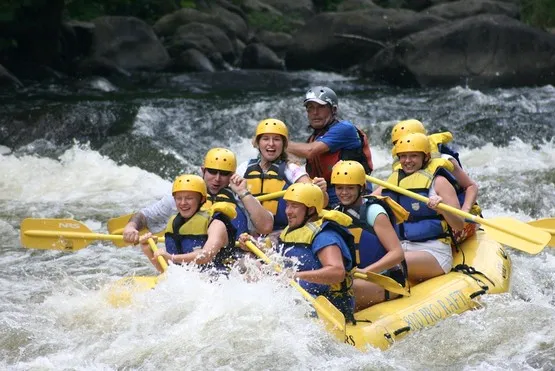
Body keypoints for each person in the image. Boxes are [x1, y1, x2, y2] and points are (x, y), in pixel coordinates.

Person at [241, 182, 357, 322]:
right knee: (252, 269)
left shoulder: (325, 236)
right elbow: (279, 257)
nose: (288, 211)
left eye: (294, 206)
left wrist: (295, 276)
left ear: (311, 209)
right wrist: (254, 247)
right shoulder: (292, 230)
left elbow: (337, 272)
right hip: (299, 296)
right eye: (288, 205)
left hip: (328, 304)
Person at [122, 148, 274, 244]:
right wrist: (131, 226)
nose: (217, 178)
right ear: (203, 171)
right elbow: (145, 215)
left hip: (232, 263)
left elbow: (266, 227)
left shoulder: (240, 197)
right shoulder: (184, 197)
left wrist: (243, 193)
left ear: (233, 175)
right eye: (212, 172)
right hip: (191, 263)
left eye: (224, 174)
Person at [373, 133, 464, 283]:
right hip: (400, 248)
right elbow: (366, 202)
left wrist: (443, 209)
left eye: (413, 156)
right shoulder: (392, 182)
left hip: (434, 251)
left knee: (391, 263)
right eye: (403, 156)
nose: (407, 161)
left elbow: (459, 225)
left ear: (426, 157)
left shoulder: (440, 183)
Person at [331, 160, 407, 311]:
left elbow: (397, 253)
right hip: (356, 278)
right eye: (340, 188)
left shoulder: (374, 212)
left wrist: (367, 271)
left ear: (361, 187)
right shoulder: (337, 213)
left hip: (386, 280)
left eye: (350, 188)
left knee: (340, 293)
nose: (344, 193)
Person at [390, 119, 480, 244]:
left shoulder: (444, 160)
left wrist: (464, 212)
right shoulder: (403, 164)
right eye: (397, 144)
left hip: (456, 216)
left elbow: (471, 186)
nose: (402, 145)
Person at [286, 86, 374, 206]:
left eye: (321, 107)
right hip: (326, 194)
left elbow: (310, 151)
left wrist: (279, 141)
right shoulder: (313, 138)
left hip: (351, 194)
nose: (315, 113)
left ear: (333, 109)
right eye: (310, 108)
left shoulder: (345, 129)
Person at [237, 118, 327, 231]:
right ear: (257, 143)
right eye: (265, 139)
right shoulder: (243, 168)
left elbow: (319, 200)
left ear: (284, 144)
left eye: (276, 139)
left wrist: (321, 191)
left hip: (281, 232)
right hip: (247, 235)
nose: (271, 144)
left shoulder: (291, 169)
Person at [139, 174, 238, 273]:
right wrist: (148, 250)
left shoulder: (216, 225)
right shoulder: (174, 224)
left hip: (219, 281)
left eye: (189, 198)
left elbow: (206, 255)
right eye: (179, 198)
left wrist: (172, 258)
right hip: (190, 283)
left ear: (202, 199)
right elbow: (166, 271)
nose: (183, 203)